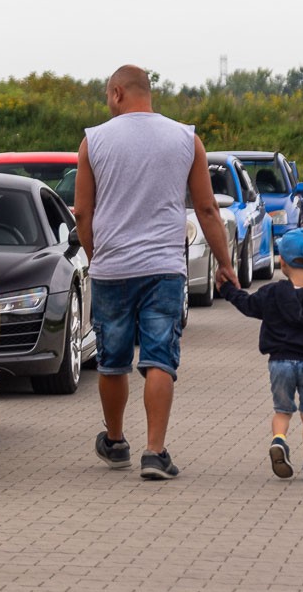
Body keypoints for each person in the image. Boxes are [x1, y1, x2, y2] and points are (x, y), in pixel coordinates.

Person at [74, 65, 237, 481]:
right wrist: (225, 263)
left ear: (117, 92)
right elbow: (207, 209)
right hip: (165, 269)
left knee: (112, 361)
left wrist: (97, 256)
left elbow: (83, 213)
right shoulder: (186, 138)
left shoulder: (93, 141)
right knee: (159, 358)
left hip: (112, 267)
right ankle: (154, 452)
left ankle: (115, 442)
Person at [218, 228, 303, 481]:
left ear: (282, 262)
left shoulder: (271, 293)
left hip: (279, 363)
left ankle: (279, 440)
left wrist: (227, 289)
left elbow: (248, 305)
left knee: (282, 410)